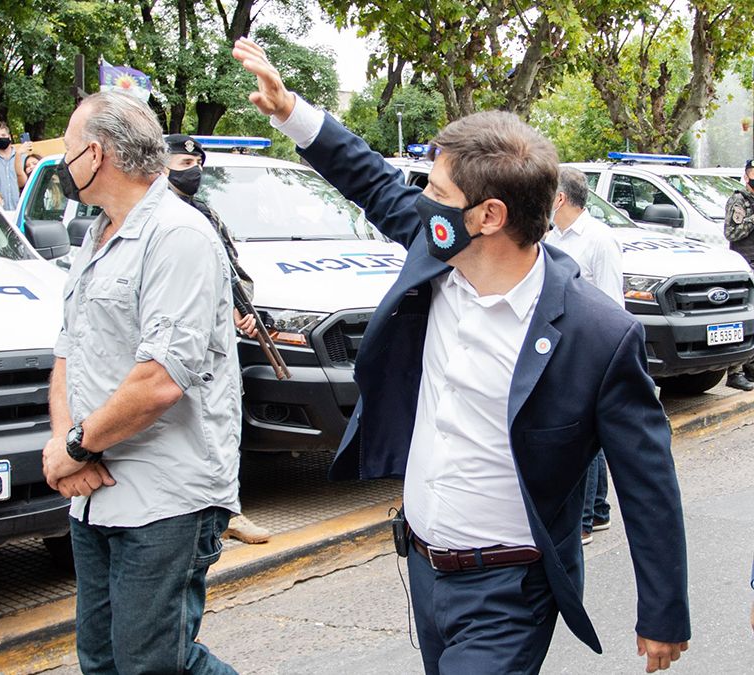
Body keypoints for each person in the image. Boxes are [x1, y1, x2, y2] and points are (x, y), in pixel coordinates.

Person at [233, 38, 690, 674]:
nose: (422, 202)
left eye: (438, 192)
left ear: (489, 216)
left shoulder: (597, 334)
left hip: (511, 592)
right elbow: (371, 181)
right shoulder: (438, 252)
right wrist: (289, 111)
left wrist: (663, 610)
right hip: (423, 570)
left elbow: (647, 477)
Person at [41, 91, 241, 674]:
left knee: (153, 663)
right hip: (95, 493)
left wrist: (77, 445)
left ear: (96, 154)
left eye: (69, 149)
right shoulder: (95, 236)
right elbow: (66, 354)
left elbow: (158, 382)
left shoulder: (178, 236)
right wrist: (65, 451)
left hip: (165, 497)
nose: (63, 162)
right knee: (102, 661)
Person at [164, 133, 268, 545]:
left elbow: (235, 272)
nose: (194, 172)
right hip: (181, 342)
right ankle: (197, 514)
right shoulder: (155, 216)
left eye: (198, 165)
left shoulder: (205, 213)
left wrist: (242, 310)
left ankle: (228, 510)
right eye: (185, 165)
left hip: (220, 344)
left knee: (224, 423)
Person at [547, 167, 624, 546]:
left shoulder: (599, 240)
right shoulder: (552, 236)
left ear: (559, 198)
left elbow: (613, 304)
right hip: (558, 345)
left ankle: (586, 521)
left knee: (583, 433)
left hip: (588, 349)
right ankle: (599, 509)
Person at [723, 159, 754, 390]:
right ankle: (735, 372)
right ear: (746, 176)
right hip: (745, 266)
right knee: (740, 319)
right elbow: (732, 232)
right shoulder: (739, 200)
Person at [0, 122, 32, 210]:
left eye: (3, 135)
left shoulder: (23, 158)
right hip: (0, 212)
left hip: (23, 210)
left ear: (9, 137)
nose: (1, 138)